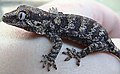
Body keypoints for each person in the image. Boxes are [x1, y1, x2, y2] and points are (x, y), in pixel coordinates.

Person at [0, 0, 120, 74]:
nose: (12, 18)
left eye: (21, 16)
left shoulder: (50, 27)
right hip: (101, 34)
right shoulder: (51, 22)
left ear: (37, 22)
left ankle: (79, 54)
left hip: (101, 42)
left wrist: (51, 58)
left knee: (89, 49)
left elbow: (58, 43)